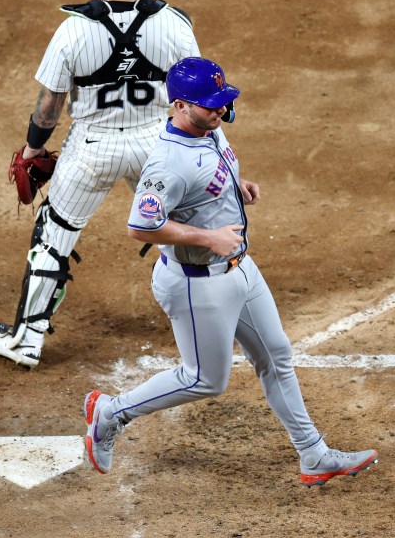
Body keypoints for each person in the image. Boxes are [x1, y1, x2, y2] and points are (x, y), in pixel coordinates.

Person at [83, 57, 378, 486]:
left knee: (276, 357)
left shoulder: (209, 126)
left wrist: (234, 187)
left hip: (240, 268)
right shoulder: (167, 165)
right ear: (180, 106)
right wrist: (208, 238)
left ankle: (313, 455)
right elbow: (140, 226)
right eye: (210, 105)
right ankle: (110, 412)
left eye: (223, 101)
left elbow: (211, 170)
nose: (221, 110)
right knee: (204, 380)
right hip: (197, 284)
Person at [0, 0, 201, 368]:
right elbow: (196, 96)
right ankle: (215, 321)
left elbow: (49, 107)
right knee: (186, 226)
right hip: (154, 145)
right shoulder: (175, 26)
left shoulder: (73, 31)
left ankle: (27, 340)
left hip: (91, 150)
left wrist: (31, 152)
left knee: (54, 237)